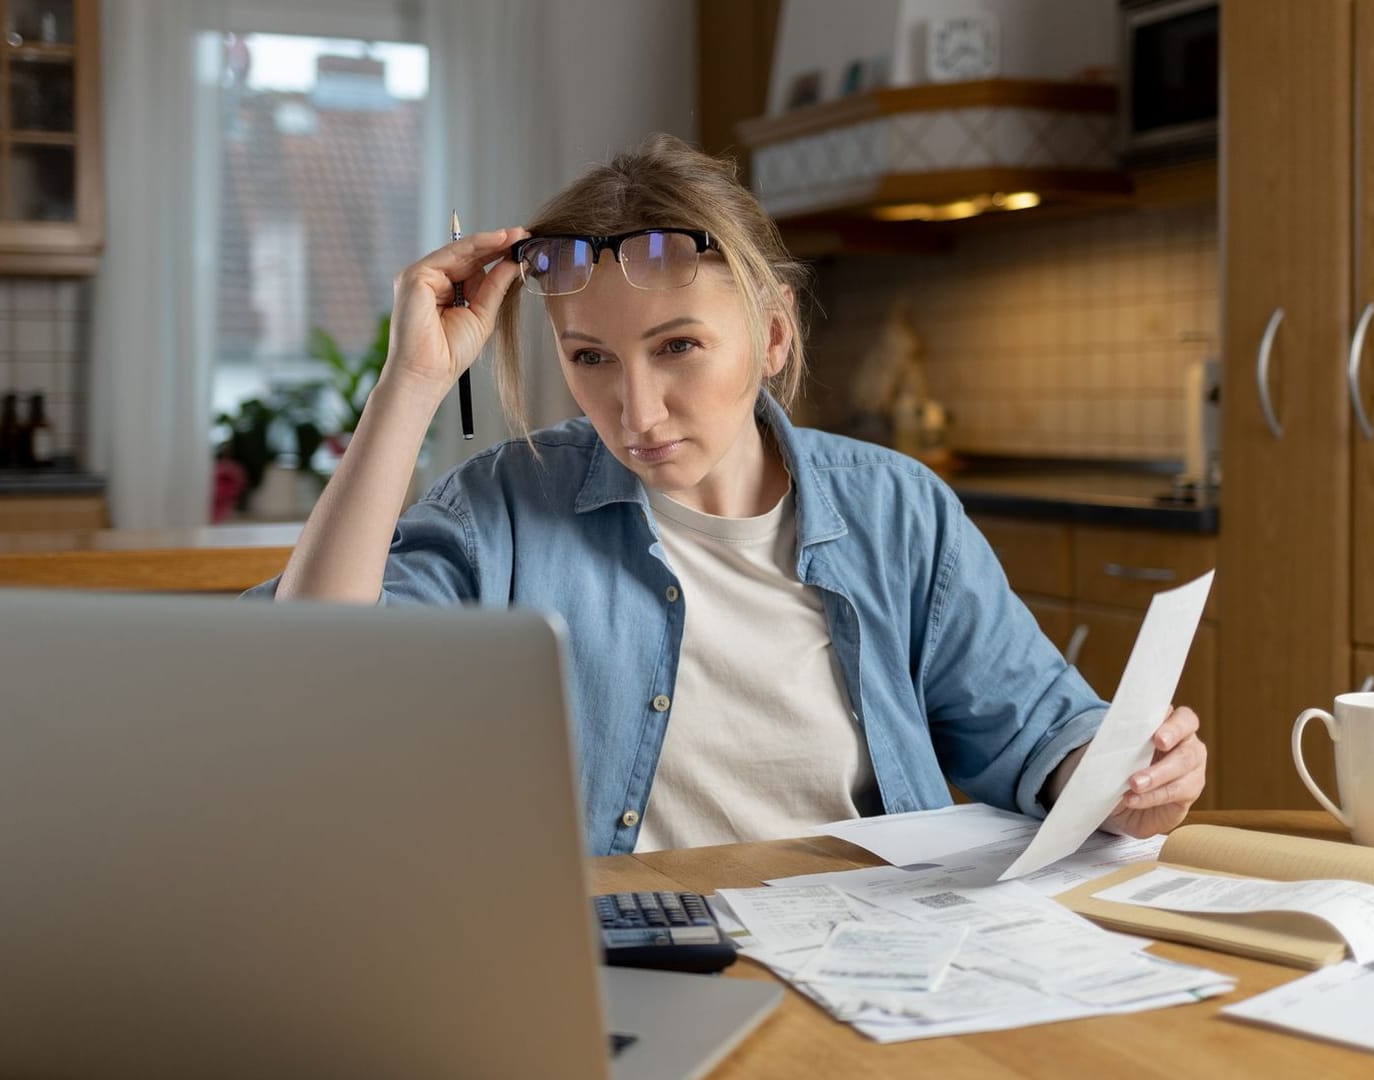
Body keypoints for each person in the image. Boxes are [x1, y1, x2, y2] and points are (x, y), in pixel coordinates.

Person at [252, 134, 1206, 857]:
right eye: (590, 359)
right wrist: (410, 383)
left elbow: (1041, 729)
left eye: (677, 347)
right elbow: (313, 674)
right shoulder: (504, 509)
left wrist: (1122, 775)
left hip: (880, 951)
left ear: (774, 338)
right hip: (631, 967)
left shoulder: (899, 511)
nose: (636, 409)